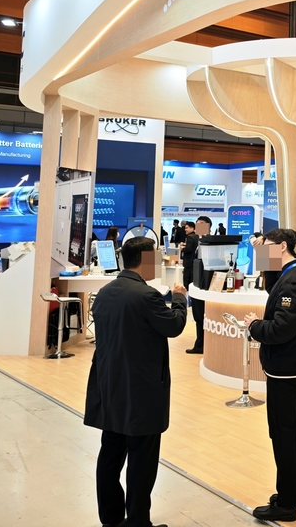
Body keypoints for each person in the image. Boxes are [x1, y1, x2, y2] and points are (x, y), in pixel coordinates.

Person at [84, 237, 187, 527]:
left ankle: (111, 518)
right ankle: (139, 522)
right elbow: (174, 326)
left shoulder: (105, 293)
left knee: (110, 454)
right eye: (155, 256)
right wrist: (179, 298)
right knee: (142, 460)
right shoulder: (146, 295)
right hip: (141, 390)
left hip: (109, 386)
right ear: (143, 259)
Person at [244, 228, 296, 523]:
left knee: (283, 434)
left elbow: (281, 329)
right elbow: (271, 286)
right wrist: (263, 255)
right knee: (294, 430)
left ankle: (286, 503)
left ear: (283, 246)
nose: (263, 252)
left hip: (286, 369)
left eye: (267, 248)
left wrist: (254, 326)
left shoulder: (293, 282)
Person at [181, 222, 202, 354]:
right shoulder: (199, 239)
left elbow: (189, 250)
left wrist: (183, 248)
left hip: (195, 275)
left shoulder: (193, 238)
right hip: (198, 280)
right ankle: (200, 344)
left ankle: (200, 344)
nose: (186, 229)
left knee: (199, 316)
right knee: (199, 317)